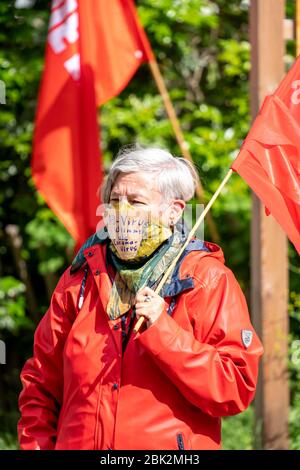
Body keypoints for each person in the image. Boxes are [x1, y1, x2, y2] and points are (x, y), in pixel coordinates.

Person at [18, 146, 263, 450]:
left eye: (135, 202)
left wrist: (163, 331)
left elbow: (235, 388)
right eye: (114, 201)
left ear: (173, 211)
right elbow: (40, 385)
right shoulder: (78, 279)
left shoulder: (207, 279)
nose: (122, 212)